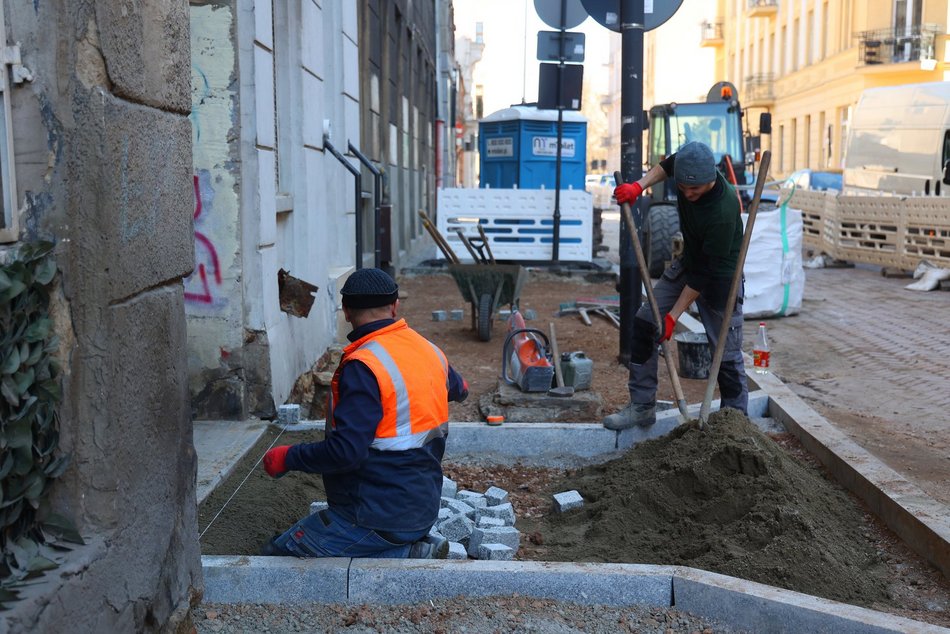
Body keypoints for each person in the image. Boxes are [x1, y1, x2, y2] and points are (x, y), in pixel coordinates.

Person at [261, 268, 468, 558]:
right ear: (395, 306)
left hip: (371, 518)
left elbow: (345, 452)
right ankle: (412, 546)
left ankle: (405, 553)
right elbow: (461, 388)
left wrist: (288, 457)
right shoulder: (428, 350)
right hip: (422, 508)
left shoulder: (364, 366)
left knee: (278, 551)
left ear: (346, 311)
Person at [603, 141, 748, 430]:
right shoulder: (685, 164)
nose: (688, 193)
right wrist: (637, 186)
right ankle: (642, 406)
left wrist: (674, 315)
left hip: (719, 275)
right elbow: (666, 166)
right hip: (690, 261)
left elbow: (705, 275)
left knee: (725, 353)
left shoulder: (724, 208)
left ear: (711, 178)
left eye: (695, 188)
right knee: (645, 323)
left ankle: (736, 423)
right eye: (683, 187)